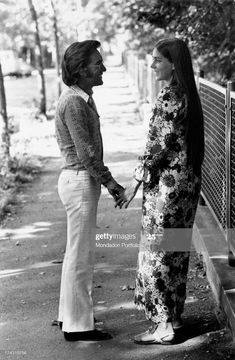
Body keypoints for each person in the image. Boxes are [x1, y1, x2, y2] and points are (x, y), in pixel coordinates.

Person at [118, 38, 204, 344]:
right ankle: (175, 319)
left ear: (173, 64)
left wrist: (134, 183)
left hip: (167, 194)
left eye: (157, 59)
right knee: (175, 251)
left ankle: (164, 326)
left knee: (157, 256)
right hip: (184, 188)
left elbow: (157, 148)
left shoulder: (170, 96)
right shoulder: (187, 95)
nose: (152, 64)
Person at [55, 40, 125, 342]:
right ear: (81, 70)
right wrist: (111, 182)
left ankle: (67, 316)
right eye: (97, 63)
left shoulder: (81, 97)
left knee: (76, 253)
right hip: (80, 181)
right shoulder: (73, 102)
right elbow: (85, 152)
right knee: (81, 256)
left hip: (81, 181)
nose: (104, 67)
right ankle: (78, 326)